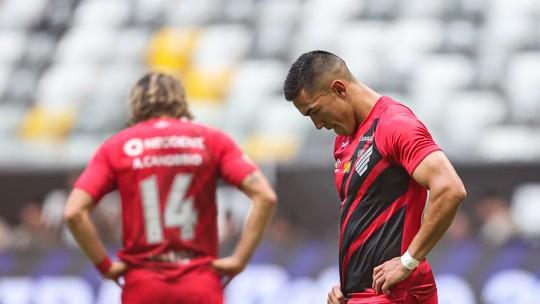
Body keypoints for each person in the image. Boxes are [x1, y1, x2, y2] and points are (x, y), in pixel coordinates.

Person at [64, 72, 277, 303]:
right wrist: (239, 260)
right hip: (199, 282)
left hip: (143, 284)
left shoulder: (118, 146)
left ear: (136, 104)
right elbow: (265, 196)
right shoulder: (211, 140)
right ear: (180, 100)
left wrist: (105, 265)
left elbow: (74, 212)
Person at [283, 51, 466, 304]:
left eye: (314, 111)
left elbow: (450, 188)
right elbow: (367, 218)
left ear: (339, 89)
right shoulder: (343, 140)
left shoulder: (394, 124)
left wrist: (408, 260)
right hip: (364, 294)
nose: (317, 124)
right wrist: (349, 284)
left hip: (395, 294)